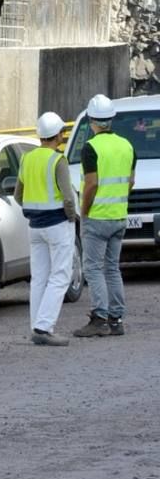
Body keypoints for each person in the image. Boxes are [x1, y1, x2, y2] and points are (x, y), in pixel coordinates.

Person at [73, 93, 136, 338]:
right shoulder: (127, 145)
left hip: (97, 217)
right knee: (112, 268)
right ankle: (117, 319)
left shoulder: (91, 148)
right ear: (111, 119)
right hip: (119, 216)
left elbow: (91, 184)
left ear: (92, 120)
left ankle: (99, 318)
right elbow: (130, 181)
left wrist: (85, 211)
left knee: (93, 269)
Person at [14, 111, 78, 346]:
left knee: (39, 277)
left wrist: (34, 208)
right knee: (61, 275)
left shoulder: (26, 159)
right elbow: (68, 198)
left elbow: (18, 194)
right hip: (57, 224)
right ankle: (44, 327)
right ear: (58, 135)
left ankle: (36, 325)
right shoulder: (57, 160)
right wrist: (72, 218)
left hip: (34, 226)